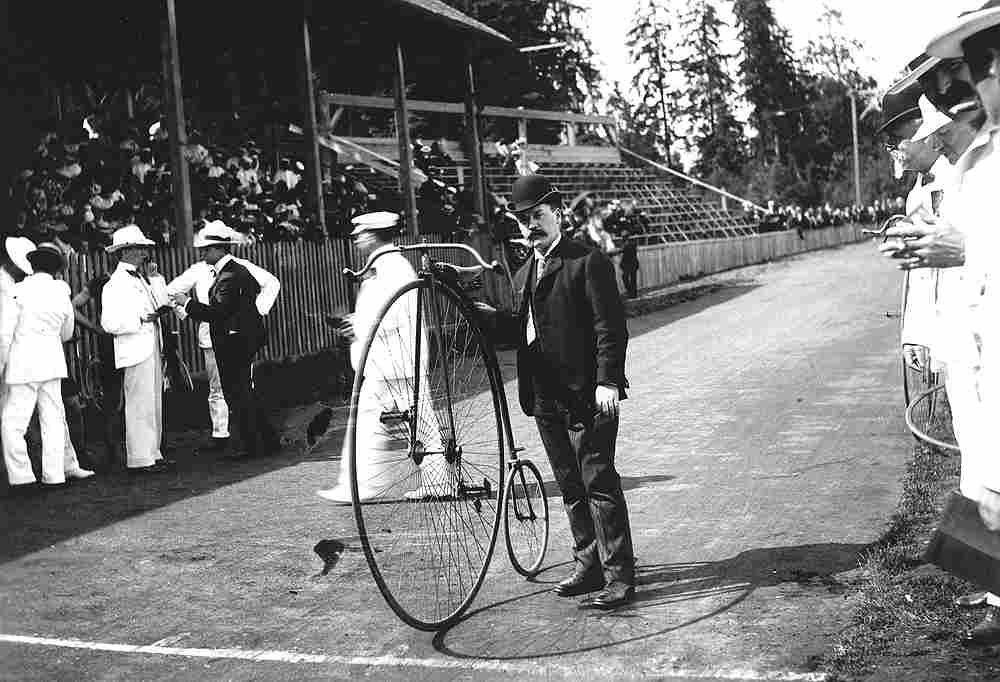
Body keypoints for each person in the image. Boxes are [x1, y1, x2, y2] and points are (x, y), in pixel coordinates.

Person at [884, 4, 1000, 645]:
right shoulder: (980, 161)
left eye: (991, 66)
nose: (982, 83)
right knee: (987, 475)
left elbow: (979, 249)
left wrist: (965, 251)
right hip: (982, 340)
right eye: (976, 69)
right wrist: (937, 240)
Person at [476, 174, 636, 609]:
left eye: (537, 216)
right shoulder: (526, 271)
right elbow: (522, 330)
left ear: (558, 214)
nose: (530, 226)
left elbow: (611, 327)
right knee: (570, 486)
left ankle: (619, 576)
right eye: (523, 219)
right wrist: (483, 313)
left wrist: (608, 380)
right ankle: (589, 564)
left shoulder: (587, 261)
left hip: (587, 394)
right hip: (545, 399)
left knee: (598, 482)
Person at [316, 211, 443, 503]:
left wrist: (356, 324)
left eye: (361, 233)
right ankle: (428, 481)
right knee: (405, 421)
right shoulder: (383, 265)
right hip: (389, 360)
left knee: (392, 423)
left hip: (395, 360)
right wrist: (356, 322)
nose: (357, 238)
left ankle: (362, 486)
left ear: (373, 236)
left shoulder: (392, 267)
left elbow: (393, 312)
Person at [166, 221, 280, 450]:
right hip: (226, 337)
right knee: (235, 389)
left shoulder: (231, 273)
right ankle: (260, 440)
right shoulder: (222, 271)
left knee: (238, 391)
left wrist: (187, 304)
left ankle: (251, 442)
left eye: (207, 249)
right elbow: (173, 291)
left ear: (219, 249)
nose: (203, 253)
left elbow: (219, 312)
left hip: (234, 338)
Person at [2, 243, 87, 490]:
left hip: (23, 364)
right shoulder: (61, 291)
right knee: (53, 418)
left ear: (31, 265)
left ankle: (22, 476)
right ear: (56, 269)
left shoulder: (17, 291)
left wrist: (2, 362)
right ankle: (54, 475)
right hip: (52, 362)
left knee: (13, 422)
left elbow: (5, 333)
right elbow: (68, 331)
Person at [100, 224, 173, 474]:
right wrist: (141, 319)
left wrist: (156, 279)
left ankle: (154, 453)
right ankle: (140, 459)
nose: (145, 253)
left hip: (151, 344)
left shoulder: (142, 277)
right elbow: (108, 323)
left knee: (153, 401)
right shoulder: (115, 284)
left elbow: (163, 303)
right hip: (135, 346)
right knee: (139, 403)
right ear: (126, 251)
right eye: (140, 248)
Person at [72, 251, 125, 467]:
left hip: (132, 339)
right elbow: (72, 306)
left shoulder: (138, 279)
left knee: (132, 393)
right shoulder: (101, 281)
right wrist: (94, 328)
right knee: (112, 395)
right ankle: (112, 447)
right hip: (110, 343)